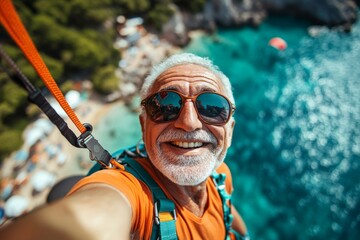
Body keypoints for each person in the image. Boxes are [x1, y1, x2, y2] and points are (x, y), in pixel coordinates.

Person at [0, 53, 248, 239]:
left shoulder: (220, 176)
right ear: (143, 125)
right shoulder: (130, 191)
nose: (189, 122)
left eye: (212, 107)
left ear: (231, 129)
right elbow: (88, 217)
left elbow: (226, 209)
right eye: (166, 106)